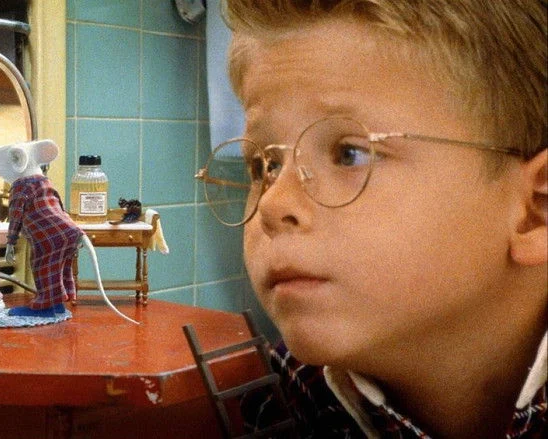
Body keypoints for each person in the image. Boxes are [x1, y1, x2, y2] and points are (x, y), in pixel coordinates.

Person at [201, 1, 547, 437]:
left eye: (350, 154)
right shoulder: (280, 401)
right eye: (263, 166)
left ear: (535, 209)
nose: (272, 204)